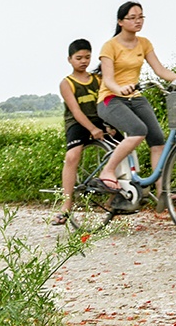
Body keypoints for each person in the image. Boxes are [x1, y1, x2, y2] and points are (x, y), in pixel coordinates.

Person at [94, 0, 176, 197]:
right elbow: (109, 80)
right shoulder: (109, 46)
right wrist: (121, 88)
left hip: (135, 97)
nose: (138, 21)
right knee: (138, 131)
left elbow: (160, 70)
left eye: (141, 17)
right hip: (110, 99)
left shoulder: (144, 43)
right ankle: (108, 171)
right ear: (120, 21)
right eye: (132, 18)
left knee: (158, 140)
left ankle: (161, 191)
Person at [52, 38, 107, 225]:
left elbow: (104, 102)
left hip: (98, 119)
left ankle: (116, 192)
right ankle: (66, 205)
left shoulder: (97, 80)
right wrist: (91, 129)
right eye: (79, 58)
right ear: (70, 59)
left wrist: (106, 125)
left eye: (87, 57)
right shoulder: (67, 83)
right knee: (72, 156)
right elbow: (76, 111)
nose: (83, 61)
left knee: (121, 148)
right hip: (77, 122)